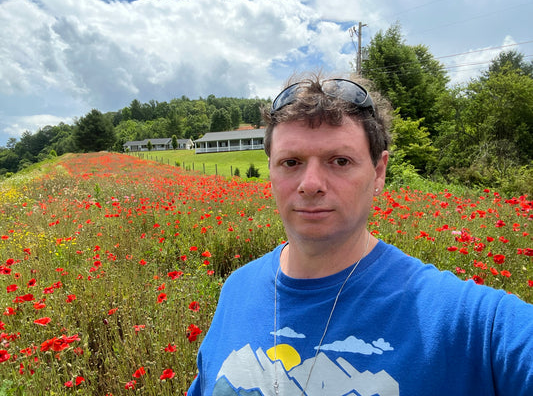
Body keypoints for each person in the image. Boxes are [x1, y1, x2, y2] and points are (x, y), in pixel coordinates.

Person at [187, 73, 533, 395]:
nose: (310, 185)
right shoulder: (236, 289)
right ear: (272, 174)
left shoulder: (464, 321)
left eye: (339, 161)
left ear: (379, 172)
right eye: (291, 162)